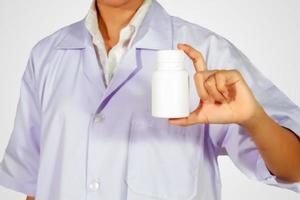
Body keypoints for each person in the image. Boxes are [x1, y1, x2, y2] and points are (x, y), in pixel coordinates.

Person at [0, 0, 299, 200]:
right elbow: (36, 184)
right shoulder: (47, 56)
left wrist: (254, 119)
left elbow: (294, 168)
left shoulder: (205, 53)